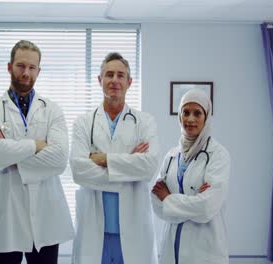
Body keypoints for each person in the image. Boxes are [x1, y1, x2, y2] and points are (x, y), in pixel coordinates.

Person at [0, 40, 74, 264]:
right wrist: (36, 145)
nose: (26, 72)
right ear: (9, 67)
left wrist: (9, 155)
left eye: (32, 68)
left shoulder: (52, 110)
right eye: (21, 66)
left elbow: (59, 159)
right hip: (6, 218)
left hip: (45, 218)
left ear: (39, 71)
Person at [70, 52, 160, 264]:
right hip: (94, 230)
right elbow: (78, 171)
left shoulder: (145, 122)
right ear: (99, 80)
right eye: (109, 74)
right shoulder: (83, 123)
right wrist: (128, 164)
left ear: (129, 82)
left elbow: (148, 168)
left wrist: (103, 159)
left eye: (120, 75)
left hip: (133, 228)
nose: (114, 80)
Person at [151, 89, 230, 264]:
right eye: (185, 112)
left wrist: (169, 199)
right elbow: (156, 203)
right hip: (172, 249)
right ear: (179, 116)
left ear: (206, 117)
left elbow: (207, 207)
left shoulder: (217, 155)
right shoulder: (171, 156)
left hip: (204, 250)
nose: (191, 119)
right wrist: (192, 203)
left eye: (197, 113)